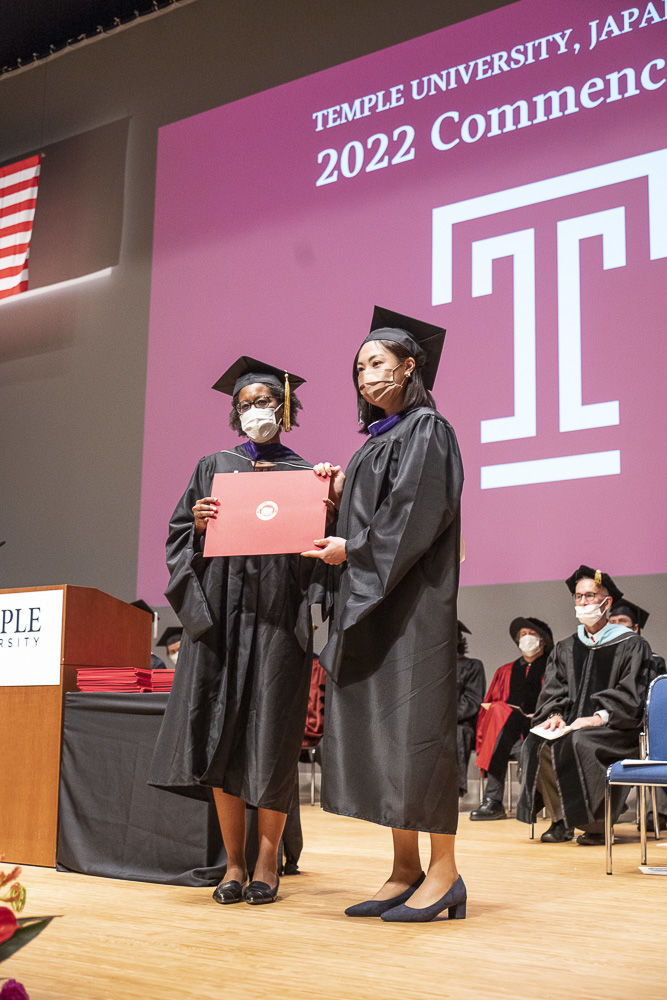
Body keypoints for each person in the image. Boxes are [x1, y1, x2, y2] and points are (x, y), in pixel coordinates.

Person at [303, 305, 465, 923]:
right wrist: (337, 496)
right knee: (385, 737)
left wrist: (354, 549)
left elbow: (412, 520)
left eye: (377, 363)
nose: (366, 376)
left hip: (412, 610)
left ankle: (445, 873)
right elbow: (373, 513)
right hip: (374, 607)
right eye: (359, 368)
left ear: (409, 365)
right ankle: (404, 869)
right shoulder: (376, 443)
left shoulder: (428, 429)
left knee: (418, 737)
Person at [148, 357, 318, 905]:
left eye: (266, 401)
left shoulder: (305, 474)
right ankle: (233, 862)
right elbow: (179, 541)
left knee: (271, 738)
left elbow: (318, 560)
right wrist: (196, 526)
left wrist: (327, 511)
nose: (256, 411)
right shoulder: (212, 466)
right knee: (221, 738)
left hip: (275, 623)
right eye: (245, 405)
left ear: (286, 407)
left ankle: (268, 860)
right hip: (221, 621)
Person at [517, 566, 652, 845]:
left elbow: (632, 695)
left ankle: (595, 826)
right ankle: (561, 820)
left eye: (590, 596)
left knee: (579, 742)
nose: (584, 603)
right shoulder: (566, 648)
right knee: (537, 741)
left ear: (607, 602)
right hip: (573, 726)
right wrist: (554, 715)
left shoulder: (632, 645)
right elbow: (554, 690)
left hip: (615, 727)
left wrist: (599, 717)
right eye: (579, 597)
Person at [470, 617, 553, 820]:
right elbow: (490, 709)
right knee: (501, 728)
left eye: (530, 634)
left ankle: (507, 801)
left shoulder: (553, 669)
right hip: (509, 733)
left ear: (542, 640)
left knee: (523, 747)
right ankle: (502, 801)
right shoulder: (505, 671)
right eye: (522, 635)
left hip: (541, 730)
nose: (525, 638)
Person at [455, 621, 486, 798]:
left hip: (462, 724)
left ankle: (453, 791)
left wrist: (443, 718)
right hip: (432, 724)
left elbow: (472, 701)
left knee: (456, 733)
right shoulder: (429, 667)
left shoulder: (473, 666)